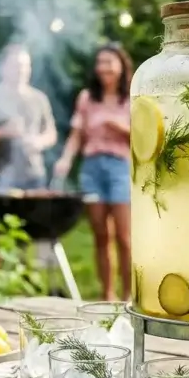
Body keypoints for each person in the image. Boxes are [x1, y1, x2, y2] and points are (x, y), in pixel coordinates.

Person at [54, 44, 133, 301]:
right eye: (100, 62)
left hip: (121, 167)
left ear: (121, 66)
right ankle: (107, 294)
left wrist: (118, 126)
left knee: (124, 236)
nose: (104, 68)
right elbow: (76, 134)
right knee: (101, 234)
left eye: (109, 62)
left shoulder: (133, 97)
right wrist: (65, 160)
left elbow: (144, 136)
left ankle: (129, 295)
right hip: (92, 168)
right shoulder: (87, 98)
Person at [0, 45, 58, 194]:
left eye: (26, 66)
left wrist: (39, 142)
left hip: (34, 174)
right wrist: (3, 132)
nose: (22, 70)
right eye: (16, 65)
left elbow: (51, 133)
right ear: (3, 68)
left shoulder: (39, 99)